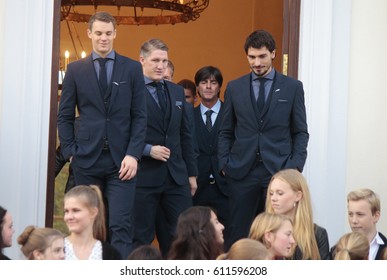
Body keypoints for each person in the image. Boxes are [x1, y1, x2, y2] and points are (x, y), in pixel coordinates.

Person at [57, 11, 147, 259]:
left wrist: (133, 154)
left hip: (123, 163)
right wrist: (70, 153)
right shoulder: (75, 70)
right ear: (89, 34)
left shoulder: (131, 69)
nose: (103, 38)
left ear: (115, 33)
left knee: (120, 226)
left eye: (108, 33)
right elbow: (64, 116)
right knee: (85, 226)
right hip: (86, 159)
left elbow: (140, 116)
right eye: (98, 33)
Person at [217, 29, 309, 249]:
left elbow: (300, 132)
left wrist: (294, 167)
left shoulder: (292, 87)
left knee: (279, 234)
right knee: (239, 235)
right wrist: (224, 164)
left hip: (279, 173)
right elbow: (225, 131)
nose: (256, 62)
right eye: (252, 57)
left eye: (262, 56)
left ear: (273, 54)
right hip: (241, 171)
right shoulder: (235, 87)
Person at [133, 38, 197, 256]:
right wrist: (148, 149)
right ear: (142, 60)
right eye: (155, 60)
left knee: (183, 239)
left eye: (164, 60)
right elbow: (120, 134)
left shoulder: (176, 92)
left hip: (176, 178)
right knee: (140, 238)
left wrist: (191, 174)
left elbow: (186, 136)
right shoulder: (129, 91)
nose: (160, 65)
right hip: (143, 177)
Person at [192, 66, 229, 245]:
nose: (208, 86)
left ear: (219, 87)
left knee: (228, 238)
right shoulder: (188, 115)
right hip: (197, 187)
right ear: (197, 87)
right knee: (198, 240)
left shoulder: (231, 113)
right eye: (204, 82)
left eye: (213, 82)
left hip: (226, 186)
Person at [266, 169, 330, 259]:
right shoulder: (264, 231)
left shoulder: (317, 235)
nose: (273, 198)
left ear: (298, 196)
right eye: (271, 193)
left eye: (280, 193)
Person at [63, 185, 121, 260]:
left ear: (93, 212)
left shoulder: (111, 254)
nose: (69, 217)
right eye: (66, 211)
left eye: (76, 210)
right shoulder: (53, 248)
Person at [346, 188, 387, 260]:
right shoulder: (338, 250)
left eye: (360, 214)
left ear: (376, 216)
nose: (354, 220)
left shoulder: (385, 247)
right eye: (350, 214)